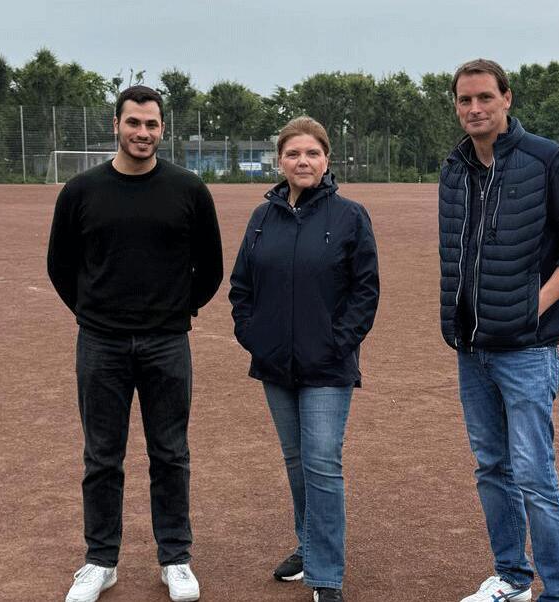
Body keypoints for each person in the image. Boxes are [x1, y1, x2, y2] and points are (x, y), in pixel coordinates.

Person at [47, 85, 222, 602]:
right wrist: (93, 312)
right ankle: (100, 561)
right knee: (102, 457)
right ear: (116, 126)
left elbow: (210, 267)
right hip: (100, 344)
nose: (142, 133)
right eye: (133, 123)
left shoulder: (189, 190)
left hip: (167, 343)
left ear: (162, 129)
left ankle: (175, 558)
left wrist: (176, 311)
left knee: (170, 454)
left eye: (151, 124)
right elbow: (60, 266)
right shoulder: (80, 191)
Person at [438, 60, 559, 602]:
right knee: (492, 467)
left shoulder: (547, 160)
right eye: (465, 100)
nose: (475, 109)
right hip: (472, 348)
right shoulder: (454, 169)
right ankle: (511, 577)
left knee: (534, 475)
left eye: (485, 97)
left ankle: (558, 593)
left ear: (507, 98)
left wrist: (535, 306)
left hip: (528, 350)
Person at [228, 116, 379, 602]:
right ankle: (309, 544)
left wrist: (337, 343)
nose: (303, 161)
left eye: (312, 153)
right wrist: (254, 337)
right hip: (275, 365)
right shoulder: (262, 218)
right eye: (293, 153)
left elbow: (365, 291)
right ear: (280, 161)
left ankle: (326, 576)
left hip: (328, 367)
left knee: (322, 464)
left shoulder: (350, 216)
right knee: (296, 463)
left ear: (326, 159)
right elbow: (241, 286)